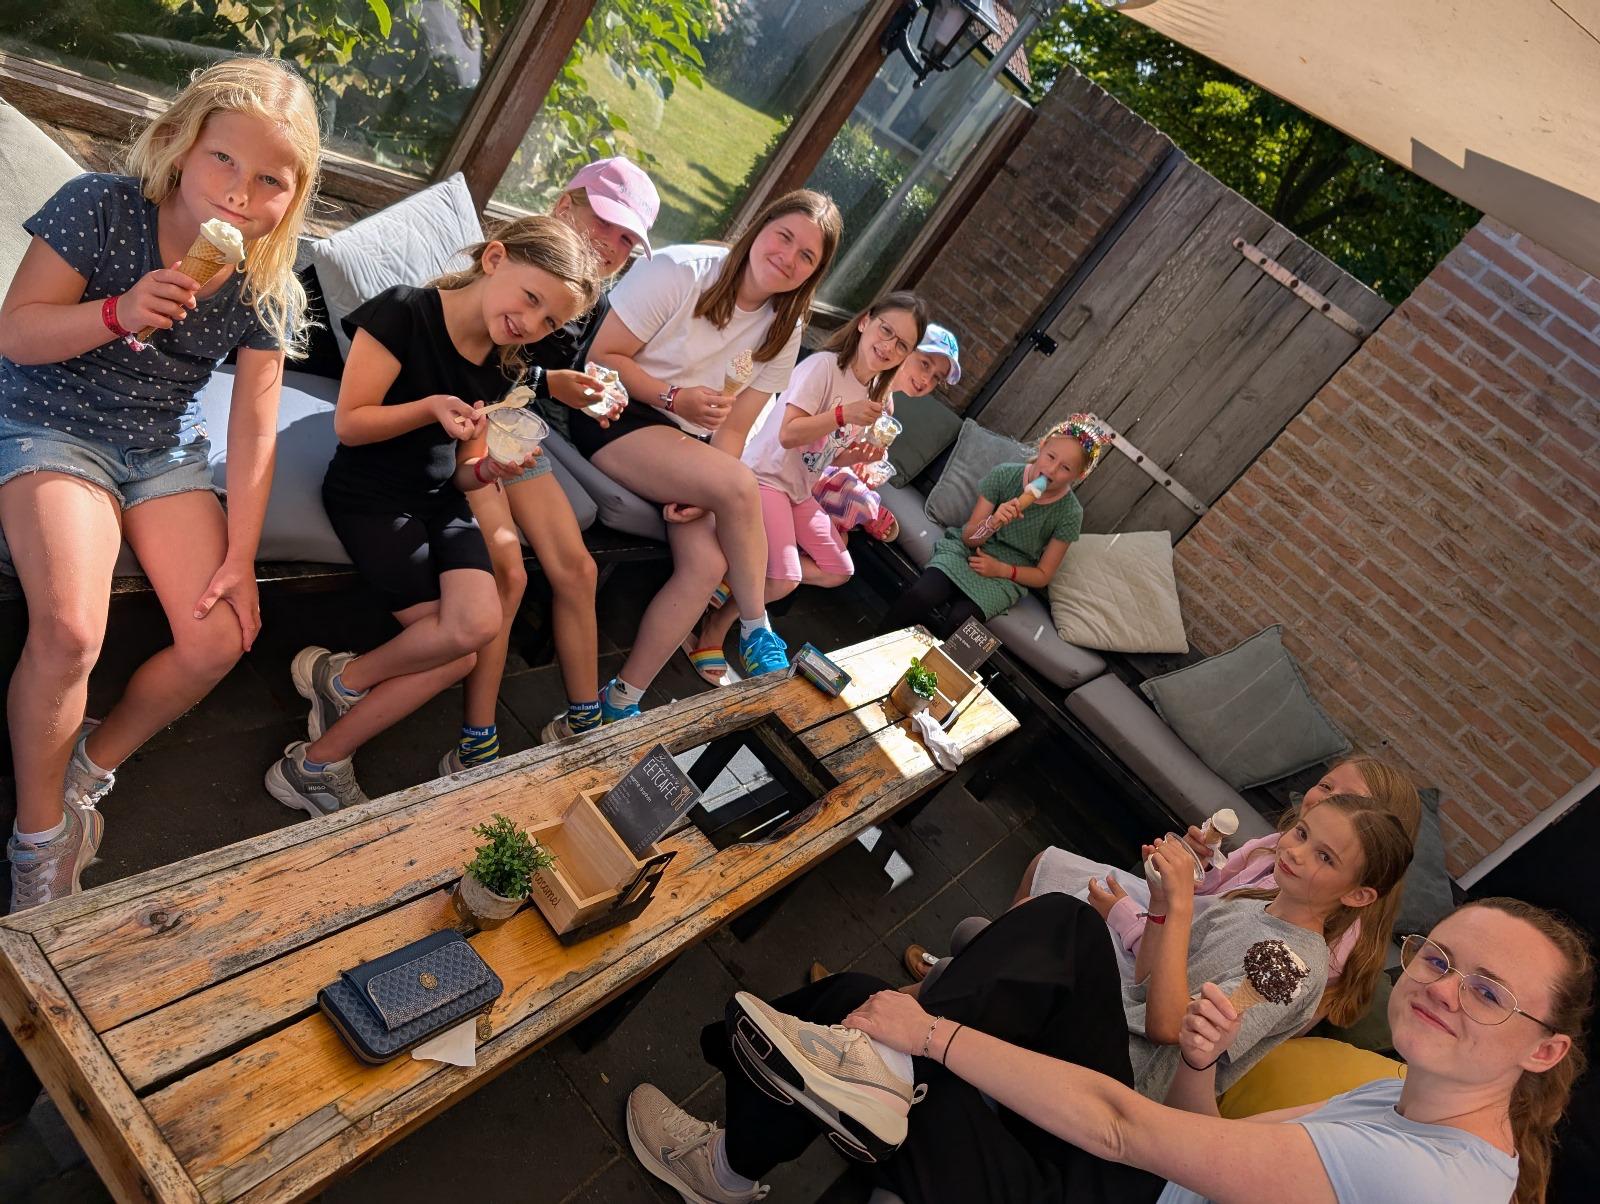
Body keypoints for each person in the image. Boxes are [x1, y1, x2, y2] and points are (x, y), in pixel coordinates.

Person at [630, 895, 1591, 1204]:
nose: (1440, 988)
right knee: (1069, 932)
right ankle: (866, 1072)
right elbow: (1204, 1140)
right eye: (1440, 958)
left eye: (1488, 992)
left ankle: (729, 1165)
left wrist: (933, 1033)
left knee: (862, 1009)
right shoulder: (1406, 1096)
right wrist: (1204, 1064)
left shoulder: (1428, 1179)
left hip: (1114, 1192)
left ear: (1545, 1052)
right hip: (1143, 1179)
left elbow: (1127, 1132)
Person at [0, 58, 321, 911]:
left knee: (220, 638)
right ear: (179, 145)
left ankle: (84, 769)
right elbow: (17, 334)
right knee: (71, 631)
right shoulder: (101, 208)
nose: (241, 192)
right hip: (51, 421)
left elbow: (253, 428)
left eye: (271, 179)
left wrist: (240, 556)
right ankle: (38, 840)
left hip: (161, 448)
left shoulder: (267, 282)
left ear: (296, 195)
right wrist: (119, 311)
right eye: (224, 159)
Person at [264, 218, 601, 815]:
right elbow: (351, 424)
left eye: (550, 321)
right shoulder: (404, 312)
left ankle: (341, 683)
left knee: (477, 626)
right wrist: (428, 408)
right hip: (372, 496)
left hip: (442, 501)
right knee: (459, 654)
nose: (532, 324)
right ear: (494, 258)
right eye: (531, 298)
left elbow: (464, 468)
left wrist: (489, 469)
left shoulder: (504, 363)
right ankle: (314, 764)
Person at [909, 755, 1422, 1033]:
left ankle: (956, 987)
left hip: (1150, 986)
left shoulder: (1293, 958)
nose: (1297, 848)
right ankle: (961, 980)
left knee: (1040, 919)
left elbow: (1173, 1010)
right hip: (1170, 938)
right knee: (1042, 893)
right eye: (1326, 787)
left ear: (1360, 891)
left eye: (1326, 855)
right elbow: (1212, 902)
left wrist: (1140, 910)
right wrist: (1198, 863)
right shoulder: (1277, 857)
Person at [577, 189, 842, 719]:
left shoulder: (784, 326)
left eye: (806, 256)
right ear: (760, 226)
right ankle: (756, 627)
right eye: (784, 237)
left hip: (687, 448)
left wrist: (707, 491)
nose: (788, 258)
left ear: (814, 273)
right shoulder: (679, 270)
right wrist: (672, 398)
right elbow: (601, 358)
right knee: (739, 484)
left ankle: (621, 700)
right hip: (617, 413)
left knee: (708, 563)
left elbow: (735, 429)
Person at [441, 158, 661, 771]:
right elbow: (471, 353)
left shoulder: (591, 301)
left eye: (627, 240)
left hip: (510, 426)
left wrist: (584, 390)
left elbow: (535, 376)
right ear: (566, 206)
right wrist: (549, 382)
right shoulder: (515, 265)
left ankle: (584, 720)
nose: (613, 246)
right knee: (509, 570)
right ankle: (476, 740)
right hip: (461, 426)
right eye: (606, 224)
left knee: (580, 569)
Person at [681, 291, 926, 685]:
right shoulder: (823, 367)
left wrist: (857, 454)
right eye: (886, 331)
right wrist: (842, 414)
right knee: (784, 578)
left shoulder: (873, 397)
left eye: (902, 345)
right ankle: (713, 631)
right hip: (765, 477)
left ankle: (735, 579)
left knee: (838, 568)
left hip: (798, 490)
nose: (889, 347)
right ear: (865, 321)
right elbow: (789, 434)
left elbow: (827, 455)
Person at [878, 413, 1113, 639]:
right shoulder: (1004, 475)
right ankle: (871, 648)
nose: (1052, 470)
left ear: (1079, 475)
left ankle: (922, 666)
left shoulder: (1070, 513)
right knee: (920, 596)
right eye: (1051, 457)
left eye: (1066, 468)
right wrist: (993, 522)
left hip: (1007, 576)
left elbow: (1043, 575)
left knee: (960, 622)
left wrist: (1002, 570)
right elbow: (969, 538)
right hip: (966, 552)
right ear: (1042, 446)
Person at [812, 322, 962, 543]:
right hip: (807, 463)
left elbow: (852, 452)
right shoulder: (864, 382)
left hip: (827, 469)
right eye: (925, 364)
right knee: (844, 530)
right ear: (905, 349)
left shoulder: (887, 408)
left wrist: (863, 466)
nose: (926, 380)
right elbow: (825, 439)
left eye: (936, 378)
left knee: (841, 539)